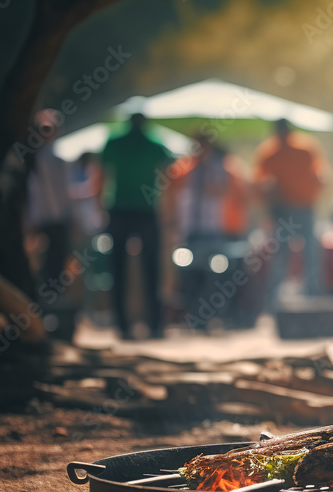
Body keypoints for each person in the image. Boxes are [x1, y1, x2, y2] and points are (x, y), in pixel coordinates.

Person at [100, 112, 174, 339]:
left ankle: (122, 326)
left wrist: (99, 208)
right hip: (146, 211)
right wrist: (169, 212)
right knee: (152, 269)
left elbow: (101, 176)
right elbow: (168, 176)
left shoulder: (114, 142)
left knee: (118, 269)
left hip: (119, 209)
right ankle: (155, 325)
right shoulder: (155, 143)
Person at [166, 136, 251, 329]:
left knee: (214, 275)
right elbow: (171, 194)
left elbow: (229, 192)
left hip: (213, 232)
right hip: (189, 232)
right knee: (188, 275)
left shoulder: (222, 168)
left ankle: (206, 316)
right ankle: (193, 316)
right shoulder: (183, 168)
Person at [255, 119, 329, 310]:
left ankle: (313, 292)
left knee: (310, 249)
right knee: (281, 253)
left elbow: (321, 174)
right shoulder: (270, 152)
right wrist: (270, 197)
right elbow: (259, 182)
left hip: (304, 208)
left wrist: (312, 189)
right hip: (283, 211)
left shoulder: (304, 148)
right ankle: (273, 301)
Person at [26, 109, 74, 287]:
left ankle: (54, 299)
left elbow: (64, 192)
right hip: (39, 221)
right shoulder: (30, 159)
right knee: (40, 264)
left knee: (57, 263)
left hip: (59, 219)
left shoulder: (60, 159)